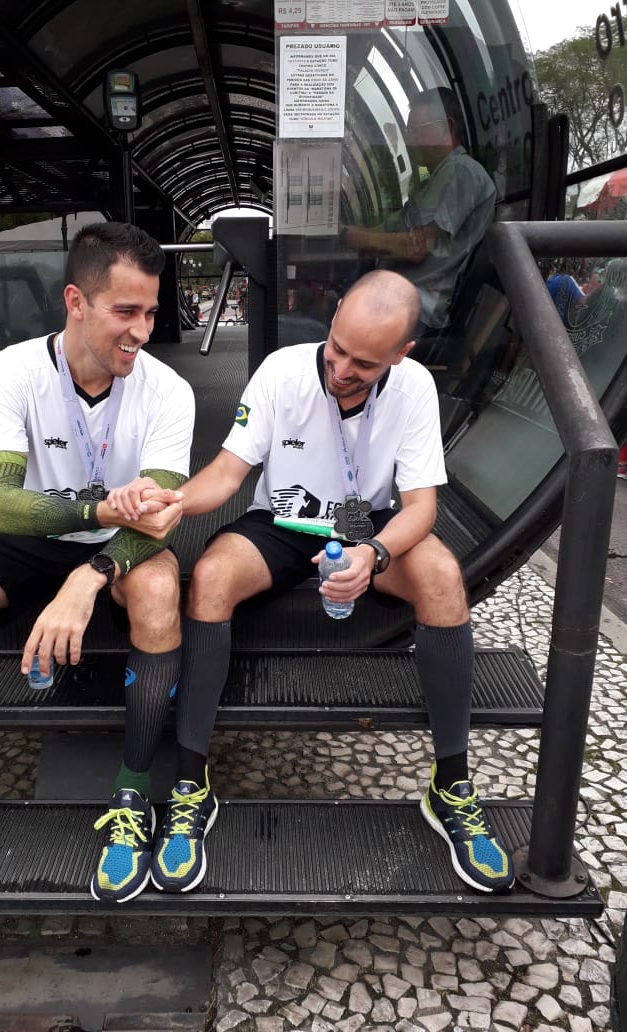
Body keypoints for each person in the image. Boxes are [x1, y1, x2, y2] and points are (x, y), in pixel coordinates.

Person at [139, 269, 515, 895]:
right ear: (335, 315)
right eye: (338, 349)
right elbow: (228, 473)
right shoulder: (282, 371)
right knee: (209, 575)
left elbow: (421, 507)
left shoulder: (415, 387)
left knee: (444, 577)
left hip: (367, 523)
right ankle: (189, 783)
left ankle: (451, 785)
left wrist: (373, 553)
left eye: (364, 365)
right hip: (283, 519)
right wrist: (175, 501)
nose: (341, 370)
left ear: (402, 353)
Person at [0, 221, 196, 904]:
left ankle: (133, 796)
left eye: (150, 312)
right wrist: (97, 511)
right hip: (39, 531)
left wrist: (90, 574)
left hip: (118, 544)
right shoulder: (9, 370)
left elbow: (159, 518)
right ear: (75, 302)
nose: (142, 332)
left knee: (158, 591)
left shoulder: (169, 389)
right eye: (126, 311)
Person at [340, 87, 496, 356]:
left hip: (415, 308)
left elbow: (415, 247)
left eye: (415, 130)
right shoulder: (434, 180)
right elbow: (391, 226)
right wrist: (353, 232)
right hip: (396, 299)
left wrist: (349, 237)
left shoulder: (461, 173)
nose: (410, 140)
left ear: (447, 127)